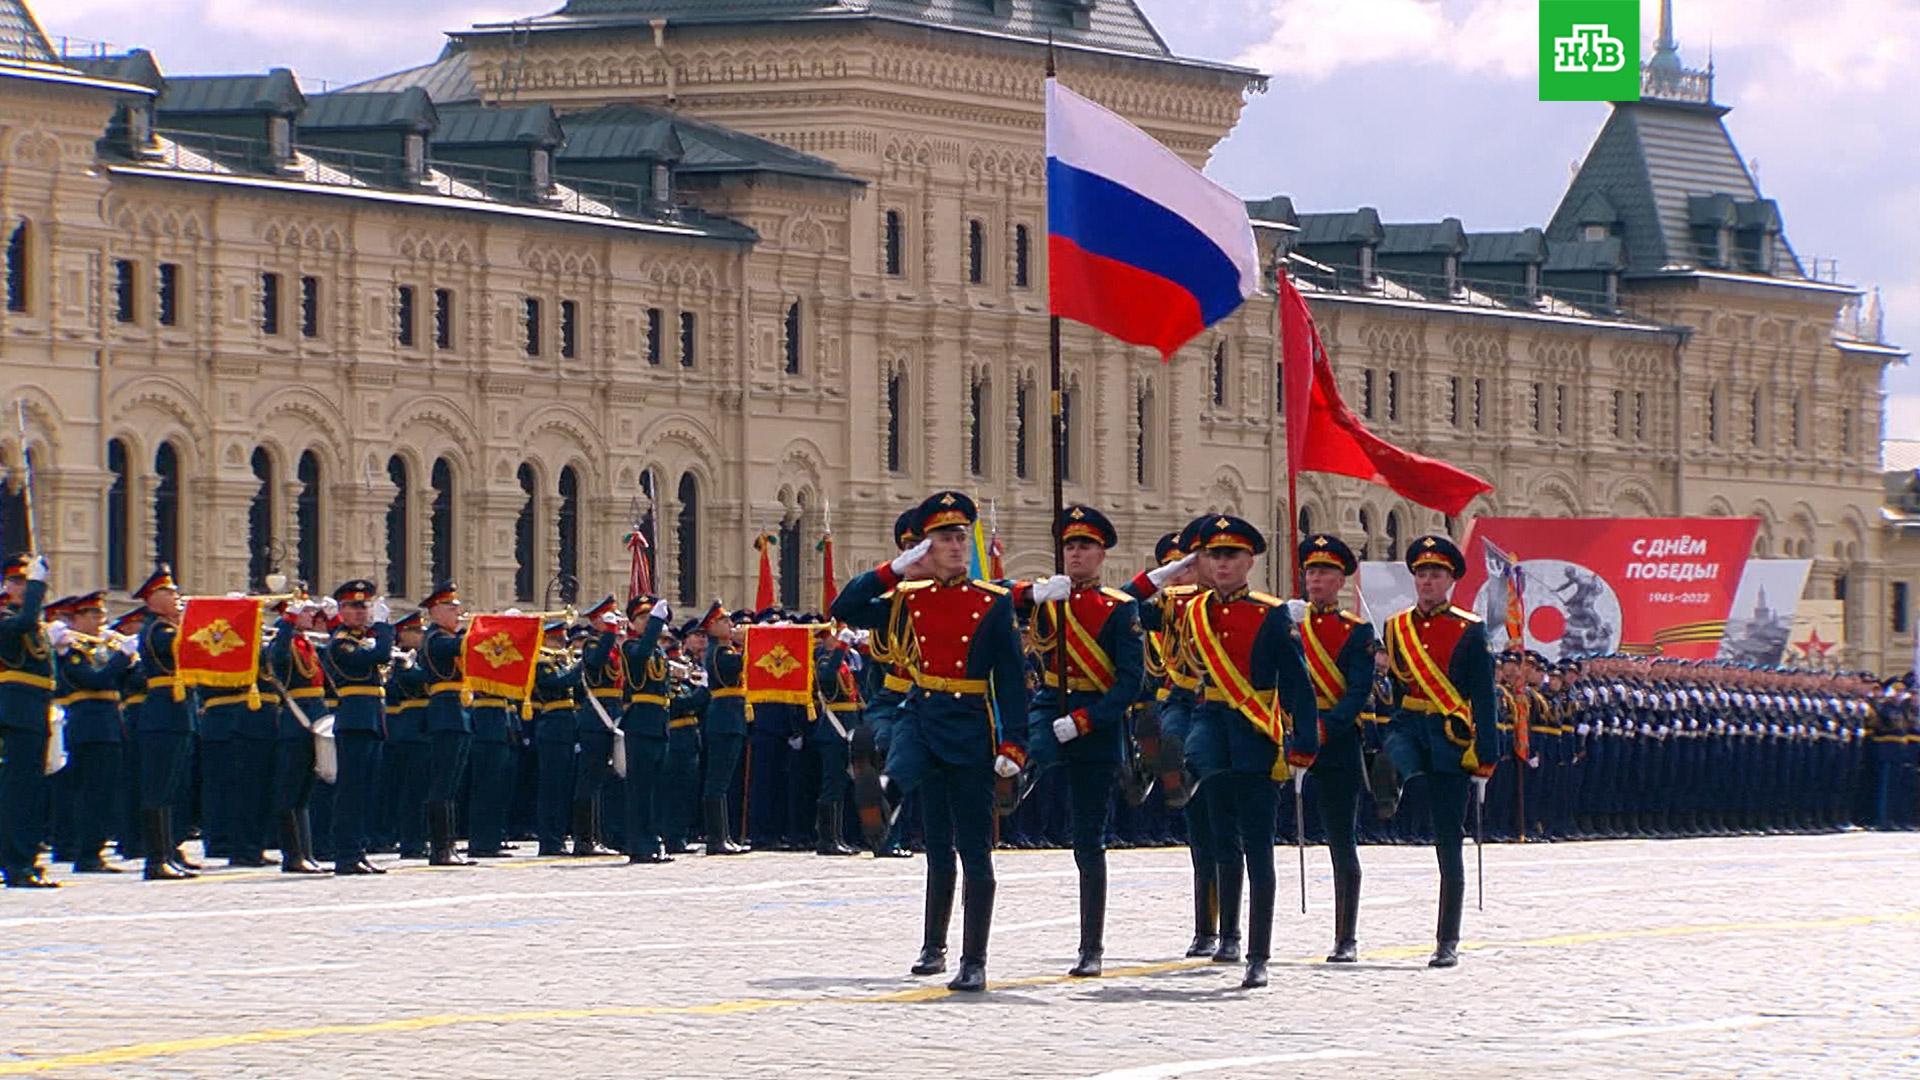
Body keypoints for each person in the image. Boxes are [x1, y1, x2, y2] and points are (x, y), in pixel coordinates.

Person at [833, 490, 1027, 993]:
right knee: (937, 844)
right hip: (922, 713)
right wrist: (894, 568)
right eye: (945, 538)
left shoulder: (993, 602)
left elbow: (1010, 680)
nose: (957, 545)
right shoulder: (906, 599)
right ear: (926, 547)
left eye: (961, 536)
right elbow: (844, 606)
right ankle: (932, 943)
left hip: (970, 725)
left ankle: (974, 958)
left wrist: (1014, 745)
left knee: (973, 848)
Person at [1180, 517, 1318, 989]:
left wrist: (1303, 744)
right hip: (1212, 730)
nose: (1221, 564)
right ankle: (1229, 934)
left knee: (1258, 848)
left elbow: (1296, 682)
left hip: (1257, 733)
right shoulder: (1194, 610)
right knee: (1222, 842)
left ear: (1249, 562)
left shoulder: (1271, 614)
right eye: (1214, 555)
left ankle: (1259, 952)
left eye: (1231, 556)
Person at [1015, 505, 1145, 978]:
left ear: (1101, 553)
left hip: (1096, 723)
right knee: (1028, 755)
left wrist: (1088, 720)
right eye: (1069, 545)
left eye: (1084, 546)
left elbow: (1132, 682)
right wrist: (1030, 593)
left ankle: (1091, 947)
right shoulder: (1048, 601)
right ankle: (1015, 779)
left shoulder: (1119, 608)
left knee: (1088, 841)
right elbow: (990, 605)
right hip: (1050, 710)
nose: (1075, 553)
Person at [1372, 535, 1496, 968]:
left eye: (1436, 574)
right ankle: (1394, 788)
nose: (1427, 581)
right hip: (1409, 725)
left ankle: (1447, 939)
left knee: (1448, 842)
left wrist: (1486, 754)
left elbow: (1484, 696)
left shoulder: (1470, 629)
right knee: (1390, 759)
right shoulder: (1395, 626)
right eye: (1422, 573)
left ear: (1450, 581)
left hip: (1450, 736)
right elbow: (1402, 686)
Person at [1296, 534, 1376, 963]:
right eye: (1310, 571)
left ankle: (1346, 935)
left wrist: (1323, 729)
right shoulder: (1290, 623)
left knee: (1341, 840)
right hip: (1290, 737)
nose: (1315, 579)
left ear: (1341, 579)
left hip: (1336, 741)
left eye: (1324, 572)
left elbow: (1357, 692)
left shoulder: (1357, 632)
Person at [321, 579, 394, 875]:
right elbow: (378, 656)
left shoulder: (363, 639)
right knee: (351, 791)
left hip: (372, 720)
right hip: (354, 720)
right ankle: (346, 853)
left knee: (365, 790)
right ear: (341, 610)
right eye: (354, 606)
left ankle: (359, 849)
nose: (361, 612)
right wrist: (385, 628)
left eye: (365, 606)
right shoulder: (341, 642)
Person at [131, 565, 198, 881]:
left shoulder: (170, 626)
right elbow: (188, 648)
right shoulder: (158, 630)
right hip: (162, 715)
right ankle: (156, 858)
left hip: (177, 714)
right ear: (152, 598)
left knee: (172, 787)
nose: (176, 597)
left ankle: (169, 851)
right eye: (169, 593)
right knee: (159, 787)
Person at [0, 557, 59, 888]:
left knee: (31, 790)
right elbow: (22, 623)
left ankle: (24, 859)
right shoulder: (6, 619)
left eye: (28, 581)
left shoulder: (34, 626)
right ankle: (18, 864)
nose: (23, 586)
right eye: (18, 581)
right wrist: (38, 584)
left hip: (35, 711)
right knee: (19, 792)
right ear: (7, 586)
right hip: (17, 712)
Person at [418, 582, 474, 866]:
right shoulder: (435, 639)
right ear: (436, 612)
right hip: (445, 714)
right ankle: (440, 848)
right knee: (442, 783)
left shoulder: (449, 636)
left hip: (458, 714)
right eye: (452, 608)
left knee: (451, 784)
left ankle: (449, 844)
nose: (458, 613)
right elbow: (460, 645)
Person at [619, 595, 676, 863]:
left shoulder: (659, 651)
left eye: (649, 617)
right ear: (632, 623)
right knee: (639, 790)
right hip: (640, 723)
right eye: (641, 618)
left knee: (657, 789)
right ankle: (639, 844)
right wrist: (656, 621)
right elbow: (641, 654)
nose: (648, 622)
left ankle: (654, 840)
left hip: (658, 723)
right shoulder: (631, 647)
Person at [700, 602, 752, 855]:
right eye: (724, 621)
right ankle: (716, 838)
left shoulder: (726, 650)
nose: (731, 625)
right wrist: (750, 642)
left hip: (731, 719)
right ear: (712, 627)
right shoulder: (719, 653)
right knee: (717, 782)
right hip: (724, 719)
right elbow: (738, 666)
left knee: (724, 782)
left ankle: (723, 835)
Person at [809, 629, 862, 856]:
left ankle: (838, 836)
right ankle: (827, 839)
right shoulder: (823, 662)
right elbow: (829, 679)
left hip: (847, 727)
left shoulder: (845, 663)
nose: (841, 641)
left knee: (840, 784)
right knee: (832, 784)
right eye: (836, 637)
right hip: (833, 729)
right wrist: (841, 648)